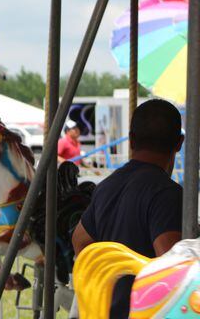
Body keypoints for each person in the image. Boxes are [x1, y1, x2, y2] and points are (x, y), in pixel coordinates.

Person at [71, 99, 184, 318]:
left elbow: (79, 240)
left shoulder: (106, 187)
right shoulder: (167, 194)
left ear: (131, 140)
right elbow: (171, 264)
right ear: (179, 143)